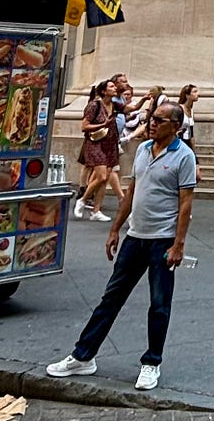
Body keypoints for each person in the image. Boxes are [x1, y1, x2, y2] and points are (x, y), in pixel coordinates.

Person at [47, 101, 197, 391]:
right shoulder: (142, 150)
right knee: (111, 298)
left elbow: (186, 203)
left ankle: (152, 363)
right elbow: (130, 193)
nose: (152, 122)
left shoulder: (184, 157)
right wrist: (115, 228)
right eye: (152, 117)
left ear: (175, 127)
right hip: (135, 237)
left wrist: (178, 244)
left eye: (160, 119)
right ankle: (83, 356)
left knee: (159, 305)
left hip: (162, 240)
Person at [75, 81, 120, 222]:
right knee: (101, 176)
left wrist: (143, 100)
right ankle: (82, 200)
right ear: (104, 91)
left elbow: (132, 108)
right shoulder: (94, 105)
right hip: (95, 144)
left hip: (110, 145)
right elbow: (84, 126)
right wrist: (103, 124)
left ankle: (96, 211)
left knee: (105, 178)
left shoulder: (115, 105)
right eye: (112, 87)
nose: (115, 88)